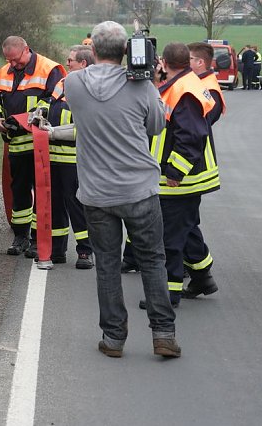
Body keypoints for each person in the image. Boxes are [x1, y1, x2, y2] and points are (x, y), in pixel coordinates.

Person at [63, 21, 180, 358]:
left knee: (108, 264)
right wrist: (151, 82)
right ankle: (163, 335)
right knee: (153, 261)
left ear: (93, 50)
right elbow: (156, 127)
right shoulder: (141, 87)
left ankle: (114, 338)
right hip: (139, 191)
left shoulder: (74, 83)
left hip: (96, 194)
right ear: (126, 51)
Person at [146, 42, 219, 309]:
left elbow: (190, 136)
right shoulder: (188, 82)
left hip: (181, 178)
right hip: (188, 175)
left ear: (164, 62)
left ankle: (168, 293)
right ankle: (202, 277)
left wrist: (176, 171)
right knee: (185, 228)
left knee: (169, 237)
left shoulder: (184, 90)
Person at [0, 36, 66, 257]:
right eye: (9, 60)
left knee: (42, 192)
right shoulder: (3, 73)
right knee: (19, 192)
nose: (13, 65)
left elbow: (52, 102)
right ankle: (20, 237)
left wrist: (20, 120)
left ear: (26, 50)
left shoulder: (49, 69)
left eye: (16, 60)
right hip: (16, 145)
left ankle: (36, 239)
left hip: (41, 144)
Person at [181, 42, 225, 299]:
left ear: (199, 63)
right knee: (186, 223)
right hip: (189, 167)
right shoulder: (196, 84)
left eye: (187, 60)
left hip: (191, 168)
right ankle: (199, 273)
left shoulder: (207, 89)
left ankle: (200, 272)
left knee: (182, 224)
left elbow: (199, 123)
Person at [45, 45, 95, 268]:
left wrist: (54, 132)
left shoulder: (90, 89)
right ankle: (57, 250)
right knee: (55, 205)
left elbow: (86, 128)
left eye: (70, 60)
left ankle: (85, 252)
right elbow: (50, 106)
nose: (66, 63)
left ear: (83, 63)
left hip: (76, 160)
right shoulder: (62, 83)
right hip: (53, 157)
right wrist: (39, 116)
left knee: (77, 206)